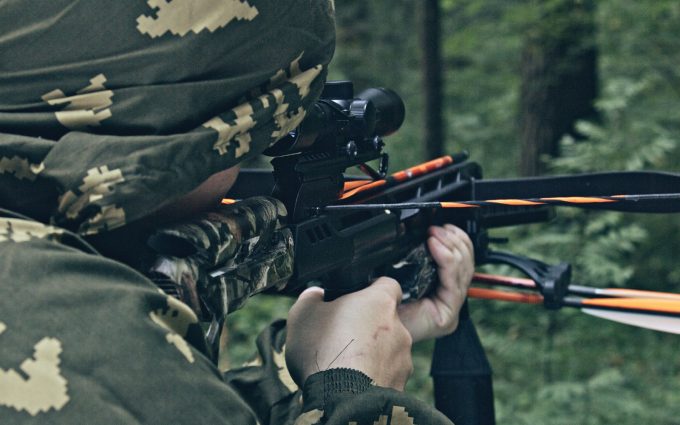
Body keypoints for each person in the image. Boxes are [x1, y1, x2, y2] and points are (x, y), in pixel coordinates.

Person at [0, 1, 473, 423]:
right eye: (243, 148)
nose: (237, 174)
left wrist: (307, 375)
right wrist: (357, 392)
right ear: (185, 144)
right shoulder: (101, 345)